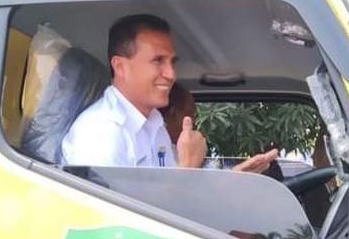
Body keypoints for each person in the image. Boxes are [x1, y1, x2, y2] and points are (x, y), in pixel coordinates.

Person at [61, 14, 276, 173]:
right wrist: (188, 168)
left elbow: (168, 199)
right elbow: (116, 226)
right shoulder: (100, 134)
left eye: (172, 62)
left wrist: (232, 180)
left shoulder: (154, 123)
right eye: (158, 61)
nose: (171, 74)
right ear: (120, 67)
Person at [159, 83, 279, 174]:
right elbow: (167, 201)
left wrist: (236, 175)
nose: (194, 121)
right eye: (190, 114)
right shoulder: (156, 149)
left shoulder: (174, 149)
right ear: (173, 113)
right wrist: (188, 165)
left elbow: (198, 194)